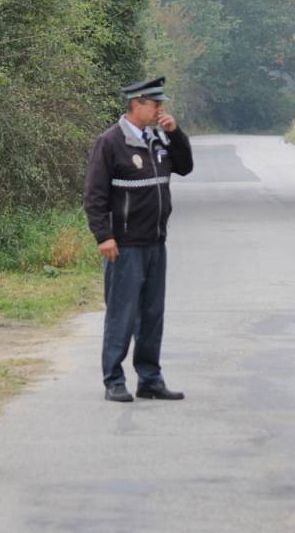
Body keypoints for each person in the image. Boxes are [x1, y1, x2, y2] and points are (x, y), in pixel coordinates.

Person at [84, 77, 193, 402]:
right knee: (122, 312)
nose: (160, 109)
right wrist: (104, 236)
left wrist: (175, 135)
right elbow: (95, 195)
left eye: (161, 104)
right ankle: (114, 380)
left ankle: (150, 378)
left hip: (155, 242)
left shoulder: (159, 139)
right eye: (155, 104)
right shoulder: (110, 142)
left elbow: (185, 167)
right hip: (125, 244)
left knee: (152, 313)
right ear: (137, 104)